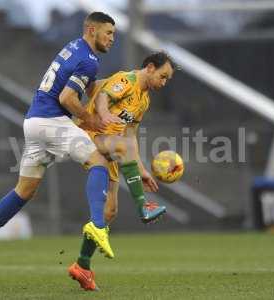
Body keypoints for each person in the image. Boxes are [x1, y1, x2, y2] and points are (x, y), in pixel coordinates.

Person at [0, 11, 117, 279]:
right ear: (92, 30)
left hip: (33, 122)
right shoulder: (89, 60)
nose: (112, 38)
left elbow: (91, 88)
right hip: (51, 120)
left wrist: (103, 107)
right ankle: (98, 225)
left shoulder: (74, 47)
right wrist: (90, 119)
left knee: (24, 190)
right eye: (108, 33)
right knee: (99, 160)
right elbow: (68, 97)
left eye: (114, 34)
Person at [68, 51, 178, 291]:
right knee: (122, 146)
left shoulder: (144, 100)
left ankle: (82, 266)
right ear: (150, 67)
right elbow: (102, 97)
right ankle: (143, 205)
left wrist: (142, 169)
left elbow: (130, 136)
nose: (164, 82)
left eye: (167, 79)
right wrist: (105, 114)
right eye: (163, 76)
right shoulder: (126, 79)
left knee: (110, 212)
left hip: (115, 145)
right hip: (89, 135)